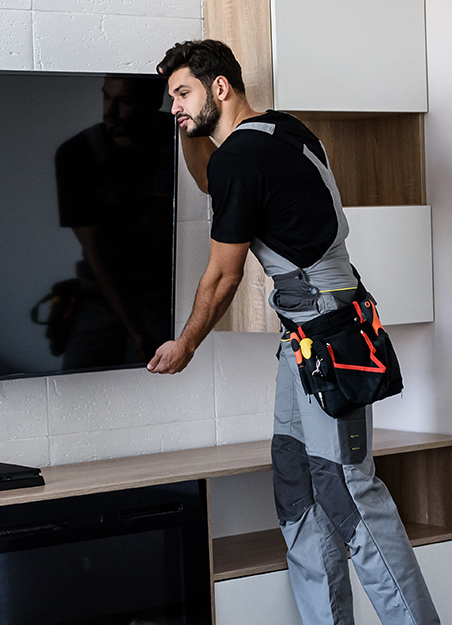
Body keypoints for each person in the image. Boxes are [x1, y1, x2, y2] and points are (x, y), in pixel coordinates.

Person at [148, 40, 439, 625]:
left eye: (182, 93)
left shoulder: (240, 161)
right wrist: (186, 124)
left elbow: (223, 276)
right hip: (306, 333)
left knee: (349, 493)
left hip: (328, 332)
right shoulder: (284, 130)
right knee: (298, 485)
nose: (173, 106)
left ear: (220, 88)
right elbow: (213, 181)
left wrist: (186, 343)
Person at [54, 75, 175, 368]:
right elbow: (96, 250)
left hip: (165, 299)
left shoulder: (181, 141)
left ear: (154, 102)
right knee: (75, 387)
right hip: (101, 298)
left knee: (164, 383)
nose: (110, 110)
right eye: (106, 97)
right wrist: (136, 332)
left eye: (125, 101)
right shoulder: (77, 155)